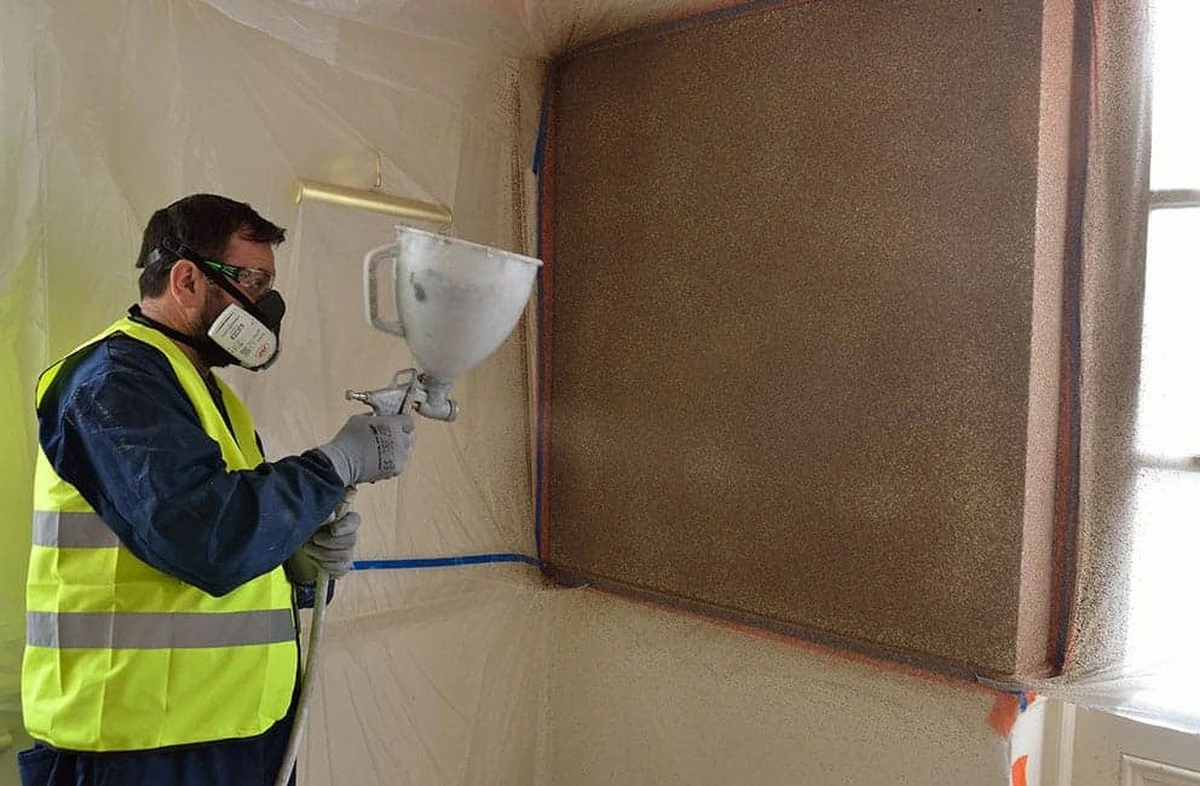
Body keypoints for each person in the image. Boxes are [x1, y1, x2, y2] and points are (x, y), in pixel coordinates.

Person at [17, 193, 414, 786]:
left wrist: (294, 569)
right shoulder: (111, 382)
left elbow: (212, 547)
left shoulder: (207, 393)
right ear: (185, 280)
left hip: (233, 735)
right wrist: (335, 466)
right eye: (253, 280)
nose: (268, 304)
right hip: (137, 747)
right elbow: (206, 537)